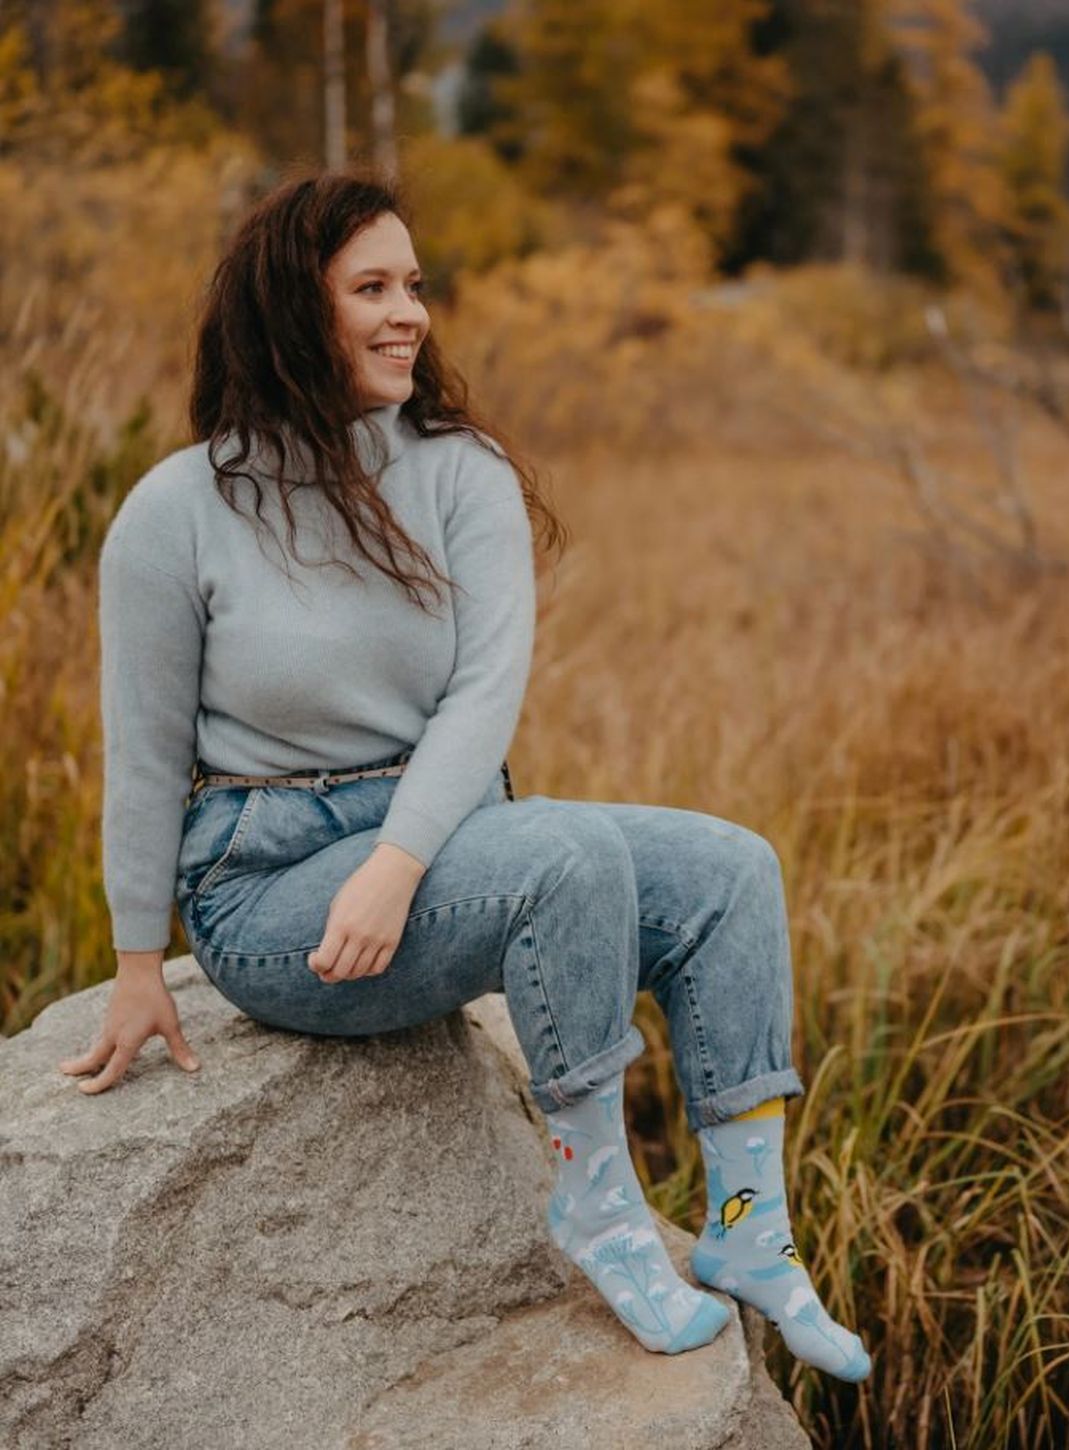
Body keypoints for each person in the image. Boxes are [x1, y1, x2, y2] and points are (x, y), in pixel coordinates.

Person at [59, 169, 870, 1380]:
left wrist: (397, 863)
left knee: (729, 869)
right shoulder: (178, 510)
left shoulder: (458, 469)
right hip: (268, 892)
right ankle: (599, 1207)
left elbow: (485, 693)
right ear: (292, 308)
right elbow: (144, 746)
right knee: (565, 851)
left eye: (415, 285)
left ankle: (750, 1228)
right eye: (371, 289)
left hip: (433, 849)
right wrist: (139, 964)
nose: (410, 315)